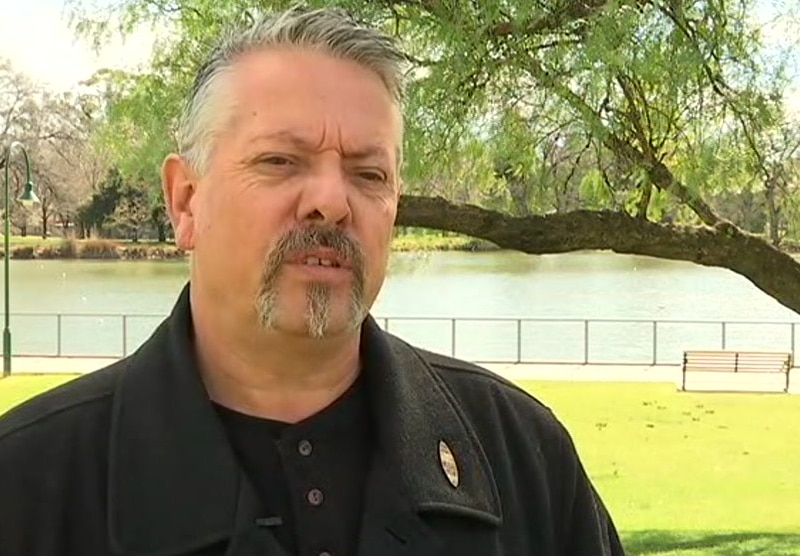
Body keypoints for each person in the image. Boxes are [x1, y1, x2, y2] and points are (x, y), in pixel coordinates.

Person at [0, 7, 625, 556]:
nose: (331, 201)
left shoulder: (521, 457)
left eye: (369, 174)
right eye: (280, 161)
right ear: (186, 201)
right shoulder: (29, 484)